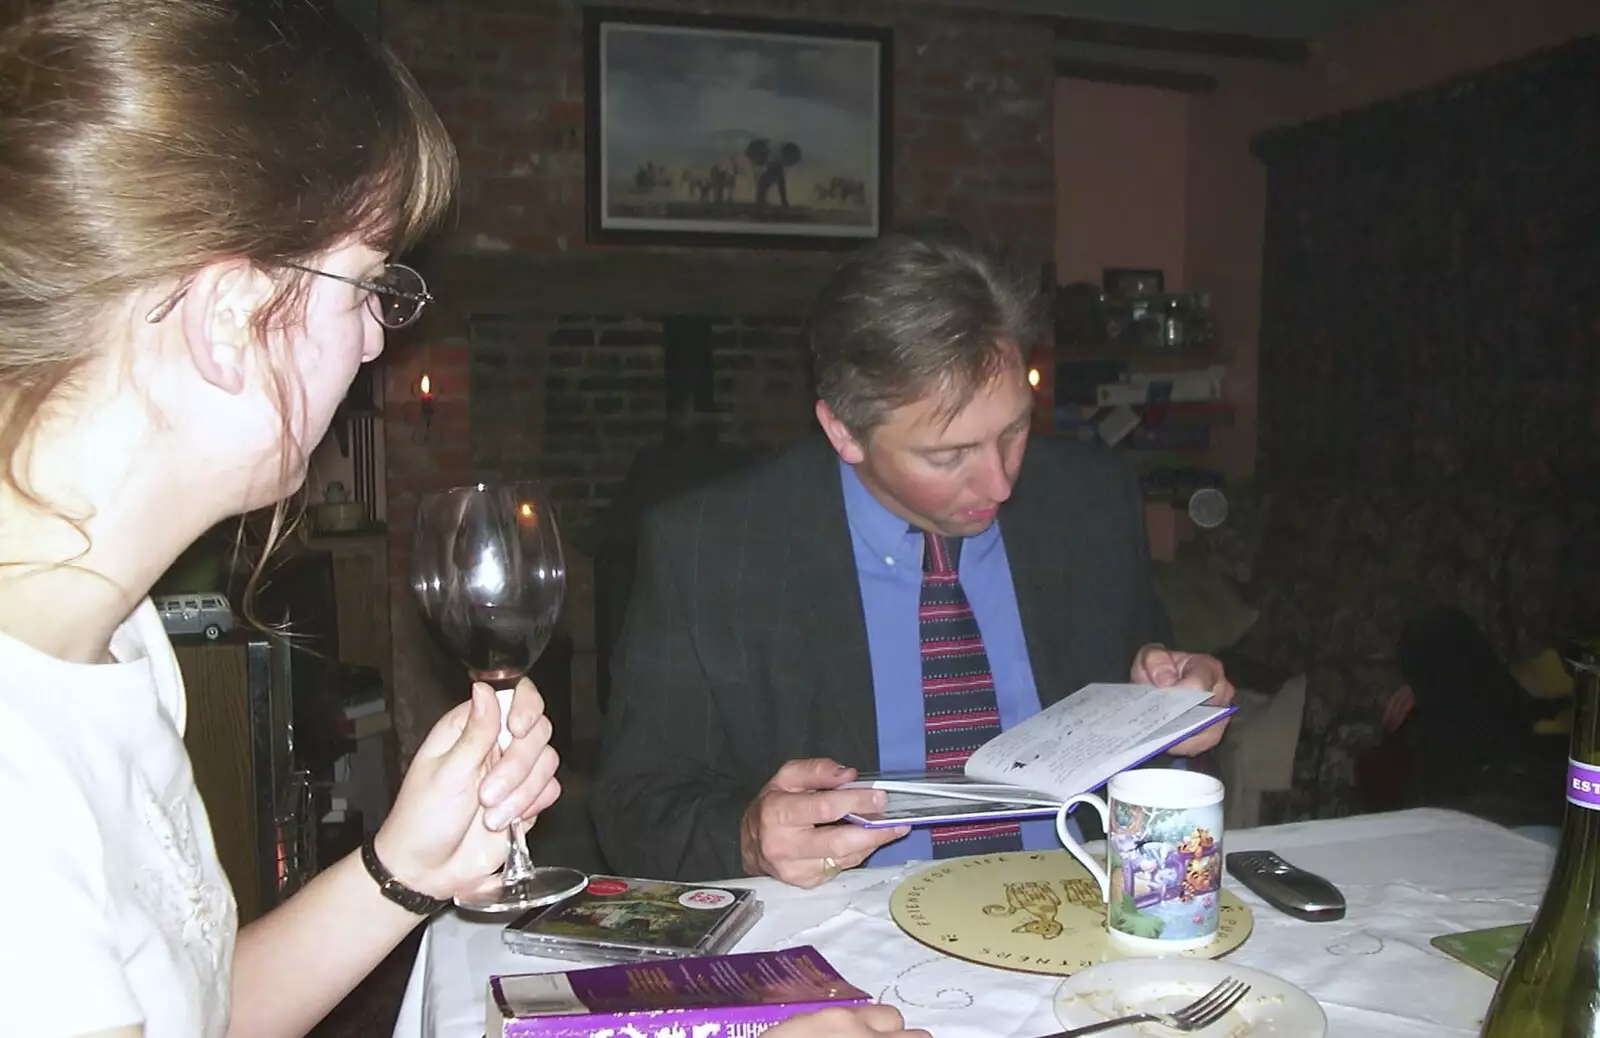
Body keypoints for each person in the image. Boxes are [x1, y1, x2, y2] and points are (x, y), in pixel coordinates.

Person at [0, 5, 924, 1038]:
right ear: (229, 321)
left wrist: (400, 868)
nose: (371, 344)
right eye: (366, 289)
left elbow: (198, 1010)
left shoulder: (107, 641)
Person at [594, 222, 1235, 887]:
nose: (1000, 482)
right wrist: (748, 839)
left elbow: (1150, 744)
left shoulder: (1090, 504)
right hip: (845, 941)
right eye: (947, 455)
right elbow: (633, 806)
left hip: (1075, 908)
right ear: (844, 431)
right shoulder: (712, 547)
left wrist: (1170, 715)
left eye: (1015, 428)